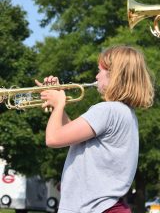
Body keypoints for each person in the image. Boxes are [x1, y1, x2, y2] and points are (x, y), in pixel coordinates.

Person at [35, 45, 154, 213]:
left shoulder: (106, 110)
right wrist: (58, 103)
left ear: (114, 75)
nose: (96, 76)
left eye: (100, 71)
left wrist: (59, 103)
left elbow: (53, 139)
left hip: (95, 208)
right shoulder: (124, 112)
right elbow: (70, 134)